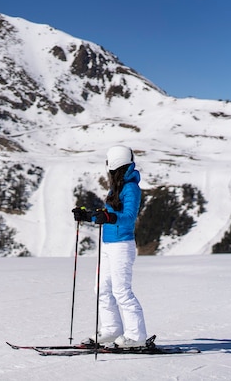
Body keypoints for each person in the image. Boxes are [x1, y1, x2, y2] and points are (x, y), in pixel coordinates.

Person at [72, 145, 148, 348]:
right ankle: (111, 329)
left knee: (122, 291)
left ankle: (136, 336)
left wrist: (108, 216)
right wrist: (87, 215)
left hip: (122, 245)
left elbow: (129, 217)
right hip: (108, 245)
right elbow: (108, 215)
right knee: (102, 289)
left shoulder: (130, 187)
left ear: (114, 164)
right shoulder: (117, 187)